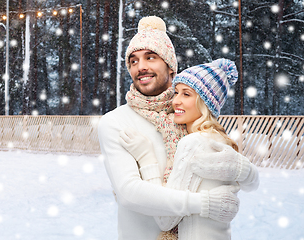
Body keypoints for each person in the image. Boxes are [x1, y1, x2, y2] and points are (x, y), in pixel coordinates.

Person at [98, 16, 254, 239]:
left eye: (150, 57)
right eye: (133, 61)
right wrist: (205, 203)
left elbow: (224, 175)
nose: (141, 67)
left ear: (171, 67)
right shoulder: (115, 122)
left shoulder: (188, 114)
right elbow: (129, 193)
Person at [119, 59, 259, 239]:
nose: (175, 101)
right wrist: (245, 170)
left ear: (205, 103)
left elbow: (165, 219)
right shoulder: (221, 141)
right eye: (176, 92)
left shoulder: (193, 143)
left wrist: (146, 158)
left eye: (186, 94)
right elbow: (253, 183)